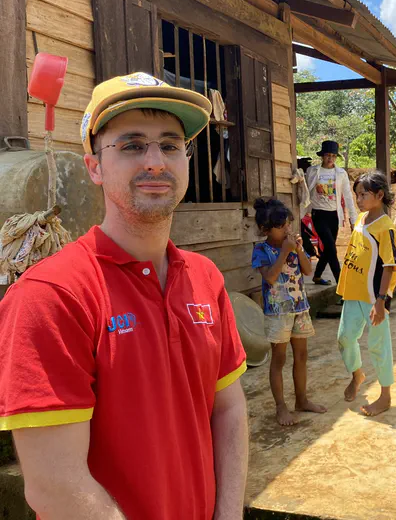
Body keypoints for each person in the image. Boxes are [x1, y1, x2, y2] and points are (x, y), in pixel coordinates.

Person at [0, 72, 248, 519]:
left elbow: (228, 409)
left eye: (170, 145)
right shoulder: (50, 296)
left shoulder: (206, 279)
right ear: (94, 166)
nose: (155, 161)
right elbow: (54, 486)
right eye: (132, 145)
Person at [252, 198, 327, 427]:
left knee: (302, 356)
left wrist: (299, 249)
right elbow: (271, 277)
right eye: (281, 226)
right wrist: (284, 252)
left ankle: (302, 399)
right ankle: (280, 406)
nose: (287, 230)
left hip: (299, 308)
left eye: (288, 225)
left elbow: (306, 270)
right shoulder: (261, 250)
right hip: (278, 313)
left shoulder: (293, 246)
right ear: (266, 229)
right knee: (279, 359)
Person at [336, 170, 396, 417]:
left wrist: (382, 301)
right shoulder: (362, 219)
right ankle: (357, 374)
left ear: (379, 195)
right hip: (353, 293)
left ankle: (385, 396)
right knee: (344, 337)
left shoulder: (385, 227)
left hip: (374, 297)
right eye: (357, 194)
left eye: (363, 194)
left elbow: (390, 265)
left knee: (378, 346)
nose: (358, 199)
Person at [305, 141, 358, 285]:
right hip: (319, 214)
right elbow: (304, 191)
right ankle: (342, 288)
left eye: (333, 156)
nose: (330, 158)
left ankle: (317, 276)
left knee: (329, 249)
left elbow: (347, 197)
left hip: (334, 215)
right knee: (332, 250)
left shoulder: (341, 174)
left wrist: (354, 220)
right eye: (328, 155)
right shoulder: (313, 171)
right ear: (322, 156)